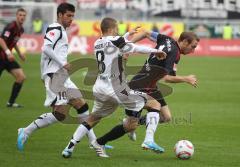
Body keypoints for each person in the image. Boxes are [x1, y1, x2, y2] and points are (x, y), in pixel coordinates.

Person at [61, 17, 167, 158]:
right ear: (111, 29)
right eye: (116, 28)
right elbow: (133, 48)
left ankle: (69, 147)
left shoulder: (98, 42)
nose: (118, 31)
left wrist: (127, 35)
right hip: (115, 88)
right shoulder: (115, 40)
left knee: (93, 118)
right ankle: (147, 139)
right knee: (154, 104)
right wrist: (155, 51)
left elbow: (114, 44)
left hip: (99, 88)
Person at [16, 2, 110, 152]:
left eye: (73, 16)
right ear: (60, 15)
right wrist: (60, 64)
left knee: (82, 105)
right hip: (55, 76)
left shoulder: (61, 30)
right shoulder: (55, 28)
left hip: (61, 75)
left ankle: (94, 141)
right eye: (68, 16)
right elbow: (45, 48)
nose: (71, 19)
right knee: (60, 114)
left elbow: (45, 54)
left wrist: (46, 72)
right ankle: (26, 131)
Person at [124, 30, 198, 144]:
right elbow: (167, 78)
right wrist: (186, 79)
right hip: (140, 84)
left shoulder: (166, 39)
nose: (193, 51)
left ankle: (135, 123)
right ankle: (143, 136)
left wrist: (127, 46)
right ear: (184, 41)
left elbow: (146, 33)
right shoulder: (174, 53)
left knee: (166, 117)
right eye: (193, 47)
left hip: (151, 85)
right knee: (135, 122)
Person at [0, 8, 27, 108]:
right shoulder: (11, 26)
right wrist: (8, 52)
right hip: (2, 56)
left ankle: (10, 103)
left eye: (24, 15)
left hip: (7, 58)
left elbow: (14, 42)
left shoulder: (21, 29)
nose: (22, 17)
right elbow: (1, 40)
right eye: (20, 15)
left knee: (21, 77)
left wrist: (19, 53)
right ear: (16, 16)